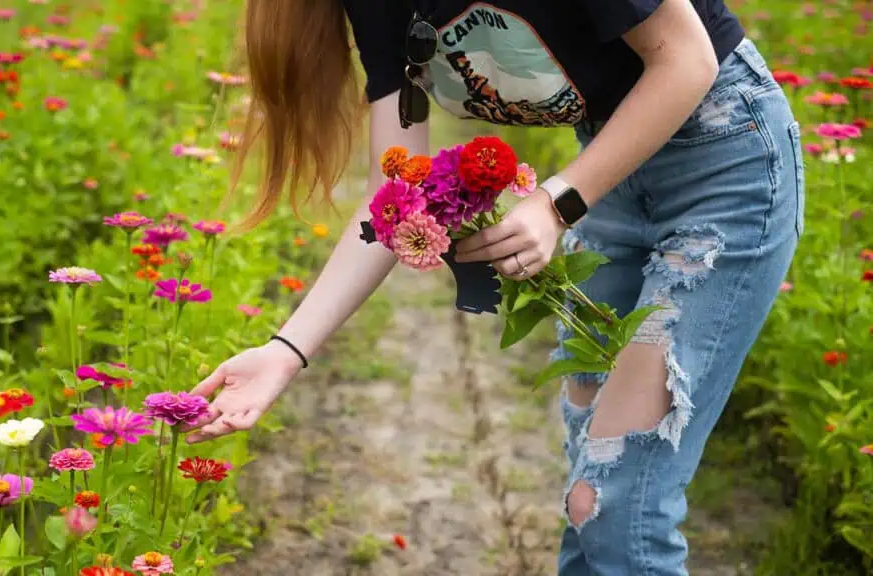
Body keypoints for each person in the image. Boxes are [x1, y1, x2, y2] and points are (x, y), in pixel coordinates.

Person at [189, 0, 803, 573]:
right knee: (589, 498)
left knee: (615, 501)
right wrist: (285, 352)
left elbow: (687, 58)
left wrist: (556, 204)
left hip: (726, 170)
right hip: (613, 175)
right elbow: (394, 200)